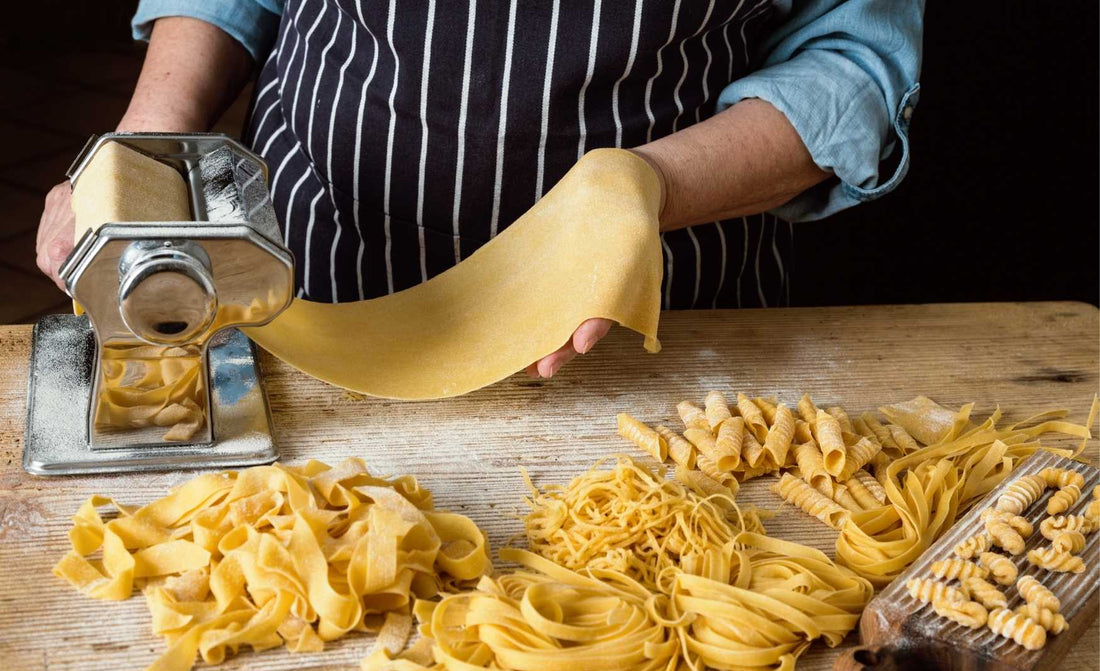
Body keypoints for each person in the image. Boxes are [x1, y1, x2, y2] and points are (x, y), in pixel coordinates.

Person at [35, 0, 923, 378]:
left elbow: (855, 64)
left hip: (650, 328)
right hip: (311, 280)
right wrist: (145, 155)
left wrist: (645, 186)